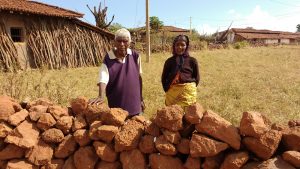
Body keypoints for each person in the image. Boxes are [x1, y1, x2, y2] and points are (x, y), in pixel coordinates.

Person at [89, 28, 145, 116]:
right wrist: (100, 96)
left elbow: (139, 78)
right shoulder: (108, 58)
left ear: (129, 42)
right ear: (114, 42)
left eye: (125, 41)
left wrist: (141, 99)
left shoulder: (135, 56)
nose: (122, 44)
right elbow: (103, 78)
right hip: (117, 107)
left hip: (135, 105)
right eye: (119, 41)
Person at [161, 34, 200, 107]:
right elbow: (164, 78)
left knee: (188, 116)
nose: (179, 47)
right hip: (172, 96)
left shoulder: (192, 61)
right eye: (177, 45)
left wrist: (188, 88)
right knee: (173, 115)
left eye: (183, 45)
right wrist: (169, 91)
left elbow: (197, 78)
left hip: (188, 95)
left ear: (187, 46)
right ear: (174, 46)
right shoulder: (169, 62)